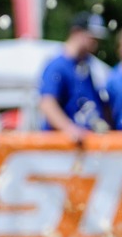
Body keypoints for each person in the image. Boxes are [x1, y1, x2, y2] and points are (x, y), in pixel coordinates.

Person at [38, 11, 111, 140]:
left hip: (85, 148)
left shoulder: (88, 66)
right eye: (91, 37)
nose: (95, 42)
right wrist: (69, 128)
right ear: (76, 32)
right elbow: (47, 103)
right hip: (63, 150)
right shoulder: (58, 66)